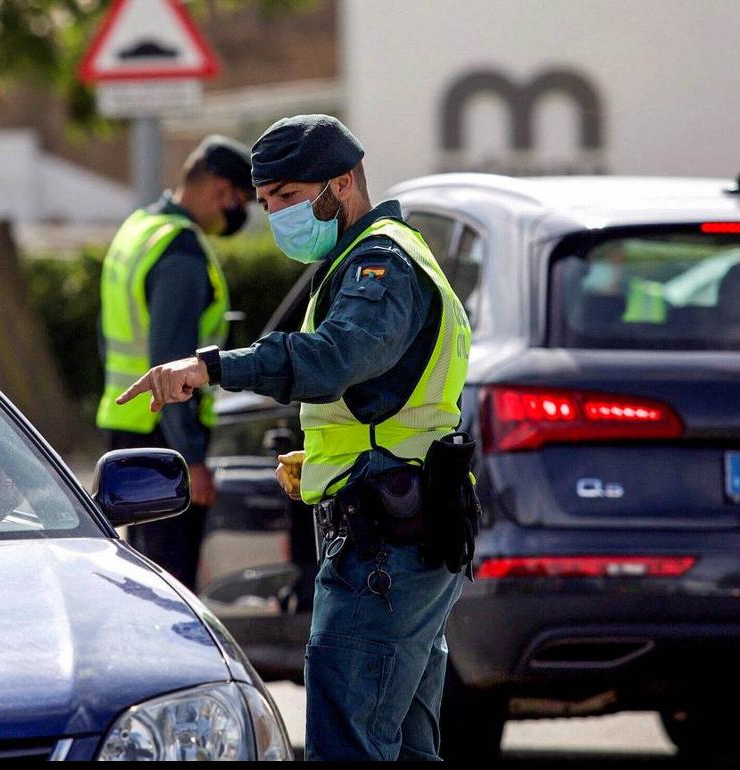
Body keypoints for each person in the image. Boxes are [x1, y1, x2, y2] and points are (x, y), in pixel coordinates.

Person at [115, 115, 473, 761]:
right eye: (267, 200)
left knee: (349, 739)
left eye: (289, 196)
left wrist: (213, 366)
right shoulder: (367, 254)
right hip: (400, 520)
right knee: (406, 744)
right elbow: (390, 391)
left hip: (387, 542)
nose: (276, 214)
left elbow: (338, 356)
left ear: (343, 182)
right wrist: (334, 454)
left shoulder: (379, 261)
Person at [95, 135, 255, 589]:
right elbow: (172, 365)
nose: (236, 213)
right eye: (239, 200)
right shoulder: (181, 251)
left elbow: (107, 335)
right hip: (165, 438)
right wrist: (192, 459)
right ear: (221, 191)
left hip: (126, 424)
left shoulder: (139, 227)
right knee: (171, 583)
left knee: (142, 575)